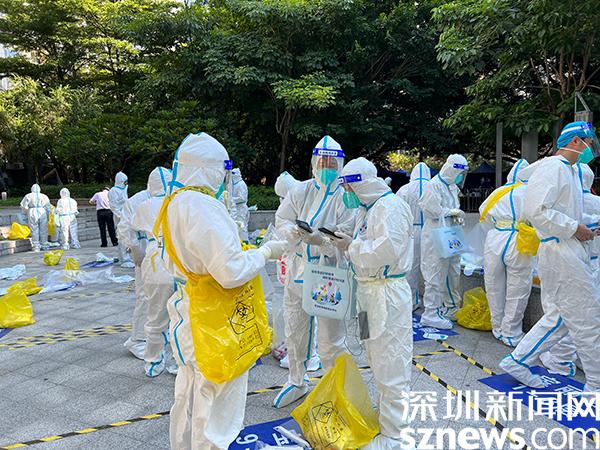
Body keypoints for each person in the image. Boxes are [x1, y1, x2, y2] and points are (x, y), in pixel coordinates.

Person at [155, 132, 287, 450]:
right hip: (212, 318)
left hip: (188, 310)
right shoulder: (203, 206)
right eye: (223, 169)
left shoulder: (174, 203)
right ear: (210, 168)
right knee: (213, 405)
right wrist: (266, 252)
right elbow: (230, 272)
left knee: (188, 395)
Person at [500, 121, 600, 390]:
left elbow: (568, 214)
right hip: (561, 251)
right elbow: (537, 211)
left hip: (565, 248)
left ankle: (518, 361)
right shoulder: (553, 168)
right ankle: (596, 384)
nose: (590, 149)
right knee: (588, 318)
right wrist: (574, 228)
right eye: (588, 143)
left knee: (560, 317)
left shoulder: (568, 170)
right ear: (576, 141)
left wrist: (589, 225)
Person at [331, 157, 413, 450]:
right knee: (374, 355)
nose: (346, 194)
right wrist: (346, 242)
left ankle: (395, 435)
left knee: (391, 363)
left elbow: (387, 251)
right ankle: (386, 419)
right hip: (367, 295)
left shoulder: (390, 207)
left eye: (347, 188)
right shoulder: (368, 209)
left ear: (360, 185)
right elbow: (366, 245)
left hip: (386, 294)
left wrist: (350, 246)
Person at [274, 135, 356, 408]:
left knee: (331, 336)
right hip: (298, 268)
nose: (326, 167)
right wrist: (292, 232)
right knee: (295, 327)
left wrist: (321, 241)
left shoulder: (345, 196)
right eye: (322, 162)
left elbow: (346, 232)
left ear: (340, 164)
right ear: (313, 162)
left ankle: (334, 386)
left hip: (328, 272)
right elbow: (282, 218)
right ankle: (297, 380)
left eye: (332, 163)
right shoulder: (301, 190)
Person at [131, 167, 179, 377]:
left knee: (155, 316)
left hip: (154, 261)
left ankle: (152, 362)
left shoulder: (144, 206)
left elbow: (134, 233)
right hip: (179, 260)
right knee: (182, 316)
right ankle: (180, 363)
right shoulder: (179, 202)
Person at [479, 159, 532, 347]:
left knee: (493, 285)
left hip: (496, 238)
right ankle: (511, 332)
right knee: (518, 287)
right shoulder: (530, 192)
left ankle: (497, 327)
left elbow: (483, 212)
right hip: (520, 239)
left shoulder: (498, 192)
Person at [273, 171, 321, 372]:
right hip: (297, 264)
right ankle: (296, 354)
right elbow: (282, 223)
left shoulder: (307, 194)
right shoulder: (294, 197)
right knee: (294, 312)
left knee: (313, 310)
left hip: (315, 263)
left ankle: (312, 354)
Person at [419, 155, 469, 329]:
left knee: (453, 271)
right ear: (451, 169)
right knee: (435, 272)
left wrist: (457, 217)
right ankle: (430, 313)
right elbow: (431, 210)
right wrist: (452, 212)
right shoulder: (433, 185)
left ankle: (450, 307)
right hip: (435, 233)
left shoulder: (452, 186)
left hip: (451, 232)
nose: (461, 176)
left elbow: (453, 208)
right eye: (459, 172)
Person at [117, 173, 156, 359]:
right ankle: (139, 339)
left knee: (161, 298)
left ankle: (154, 337)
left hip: (159, 254)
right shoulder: (139, 200)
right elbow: (125, 228)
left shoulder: (169, 197)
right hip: (147, 252)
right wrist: (136, 251)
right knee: (145, 296)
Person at [397, 162, 431, 310]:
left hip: (412, 231)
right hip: (432, 231)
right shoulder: (434, 187)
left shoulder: (405, 190)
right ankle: (433, 305)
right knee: (433, 268)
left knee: (411, 268)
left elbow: (398, 212)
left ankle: (412, 301)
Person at [109, 171, 133, 266]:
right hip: (120, 217)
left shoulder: (124, 189)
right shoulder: (114, 191)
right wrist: (121, 215)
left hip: (126, 215)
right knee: (122, 236)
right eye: (125, 181)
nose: (126, 183)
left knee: (128, 236)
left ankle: (127, 256)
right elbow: (114, 206)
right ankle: (124, 258)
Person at [20, 184, 51, 252]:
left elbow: (24, 206)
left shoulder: (28, 196)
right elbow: (48, 207)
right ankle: (44, 244)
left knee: (34, 229)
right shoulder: (44, 196)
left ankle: (36, 246)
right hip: (42, 211)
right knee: (44, 229)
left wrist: (24, 214)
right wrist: (48, 216)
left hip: (32, 211)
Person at [231, 168, 250, 241]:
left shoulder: (240, 184)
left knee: (242, 228)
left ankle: (245, 243)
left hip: (241, 209)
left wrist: (231, 199)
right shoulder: (236, 184)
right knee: (239, 228)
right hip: (238, 208)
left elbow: (242, 198)